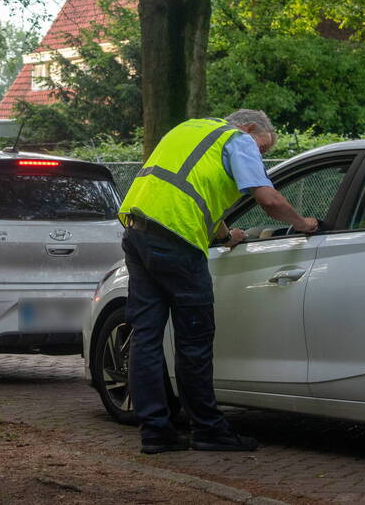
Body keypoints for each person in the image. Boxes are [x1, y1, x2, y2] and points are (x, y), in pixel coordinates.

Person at [117, 109, 318, 454]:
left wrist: (225, 236)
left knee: (146, 338)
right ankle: (209, 430)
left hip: (137, 231)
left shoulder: (188, 128)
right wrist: (302, 224)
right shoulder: (236, 139)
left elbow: (184, 190)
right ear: (251, 128)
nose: (260, 156)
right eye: (263, 148)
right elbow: (268, 199)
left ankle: (155, 433)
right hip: (176, 242)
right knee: (194, 340)